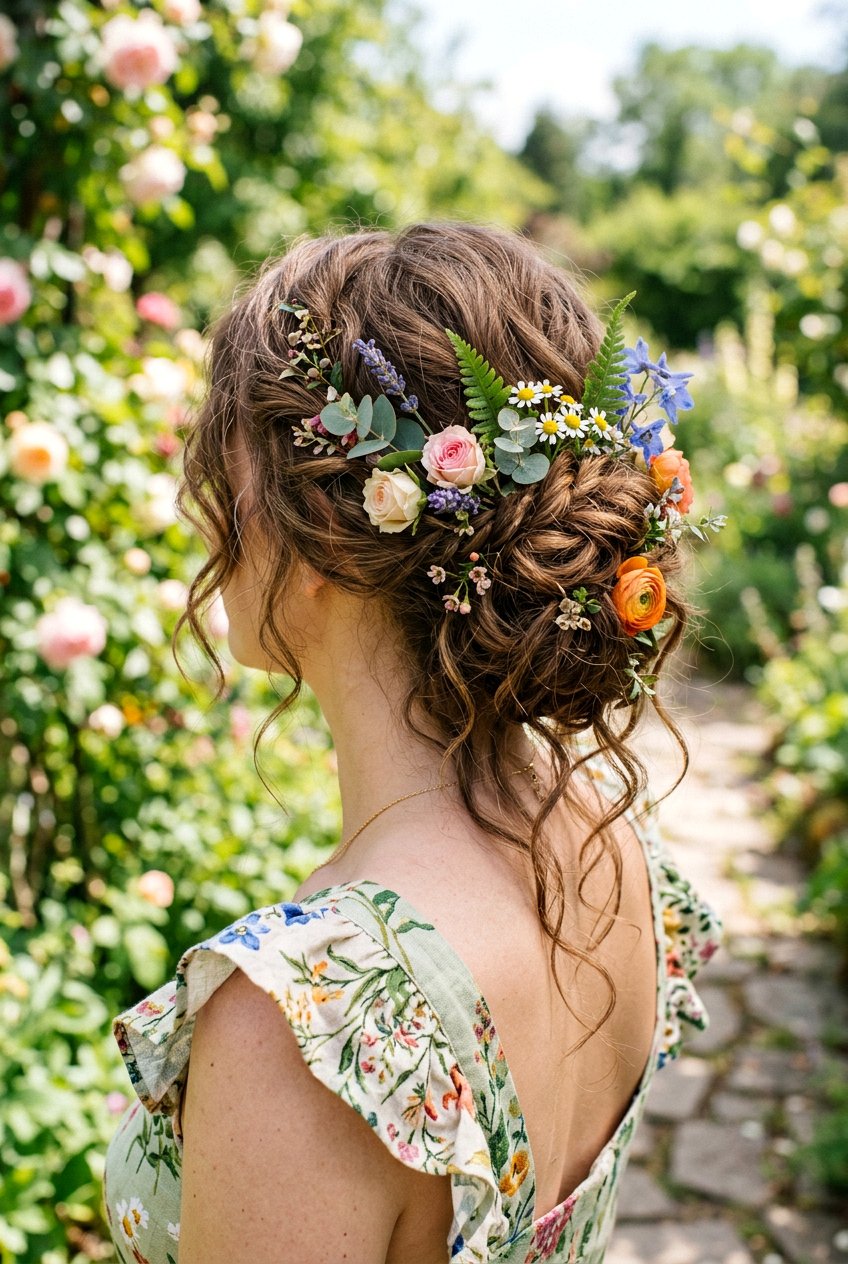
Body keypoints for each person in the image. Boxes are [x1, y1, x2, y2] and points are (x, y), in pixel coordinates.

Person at [103, 221, 724, 1264]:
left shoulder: (307, 1027)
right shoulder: (607, 850)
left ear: (320, 529)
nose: (202, 514)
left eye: (224, 464)